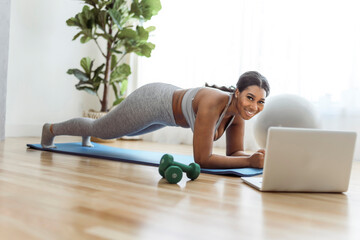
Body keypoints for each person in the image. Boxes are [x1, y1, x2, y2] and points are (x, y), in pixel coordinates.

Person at [41, 71, 270, 169]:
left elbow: (234, 154)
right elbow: (202, 159)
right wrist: (249, 162)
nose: (254, 107)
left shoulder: (237, 115)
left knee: (124, 131)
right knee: (102, 129)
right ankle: (51, 129)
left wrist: (254, 156)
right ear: (237, 92)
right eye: (250, 97)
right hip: (153, 101)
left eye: (261, 102)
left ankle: (85, 134)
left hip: (166, 115)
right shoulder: (213, 103)